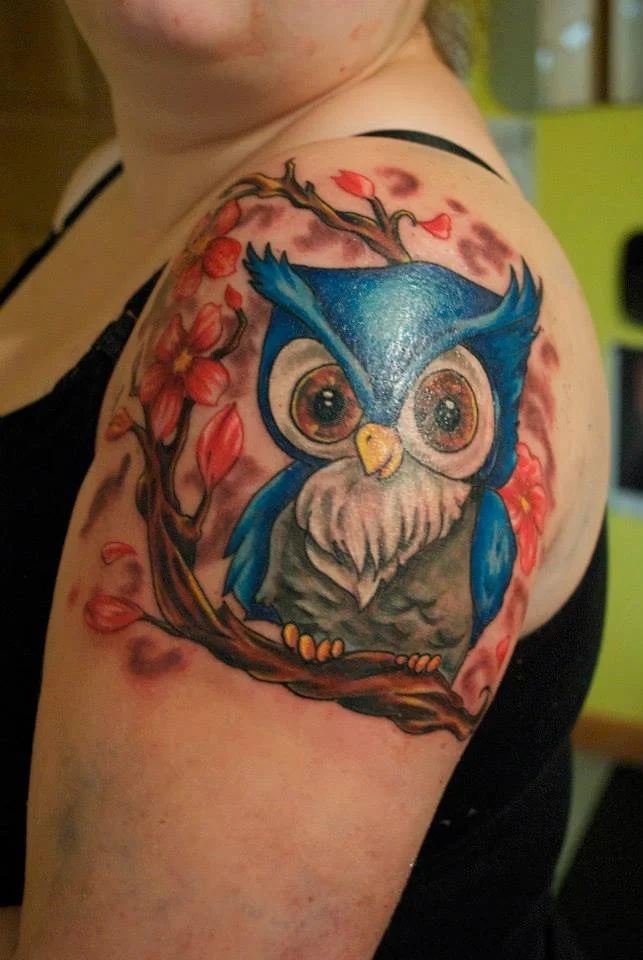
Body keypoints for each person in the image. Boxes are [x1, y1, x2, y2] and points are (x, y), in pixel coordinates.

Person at [0, 2, 609, 958]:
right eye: (327, 404)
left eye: (437, 416)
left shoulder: (385, 247)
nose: (377, 445)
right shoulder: (112, 182)